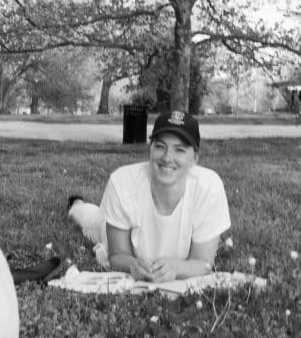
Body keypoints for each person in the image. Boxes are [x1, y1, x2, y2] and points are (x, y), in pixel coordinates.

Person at [68, 111, 230, 283]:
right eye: (160, 146)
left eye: (180, 150)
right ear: (150, 149)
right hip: (110, 229)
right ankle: (77, 204)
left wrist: (177, 268)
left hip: (168, 258)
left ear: (194, 157)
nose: (167, 158)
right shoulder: (123, 181)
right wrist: (133, 266)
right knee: (90, 219)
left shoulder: (209, 187)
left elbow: (203, 263)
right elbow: (117, 255)